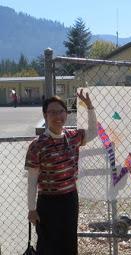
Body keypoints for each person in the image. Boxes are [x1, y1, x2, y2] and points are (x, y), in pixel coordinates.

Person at [25, 89, 97, 255]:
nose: (57, 116)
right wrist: (31, 209)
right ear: (45, 115)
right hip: (47, 203)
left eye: (61, 111)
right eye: (52, 112)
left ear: (66, 113)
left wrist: (90, 107)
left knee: (68, 243)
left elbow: (93, 132)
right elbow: (32, 180)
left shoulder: (73, 137)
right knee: (47, 245)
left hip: (70, 200)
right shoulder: (37, 145)